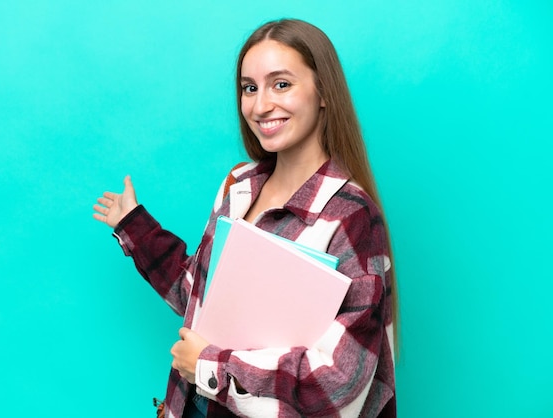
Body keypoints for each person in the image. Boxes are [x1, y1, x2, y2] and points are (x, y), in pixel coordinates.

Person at [93, 18, 397, 418]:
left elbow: (339, 378)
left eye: (281, 84)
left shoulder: (351, 217)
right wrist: (133, 226)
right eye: (249, 88)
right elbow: (195, 298)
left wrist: (209, 365)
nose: (260, 104)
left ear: (323, 92)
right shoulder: (239, 186)